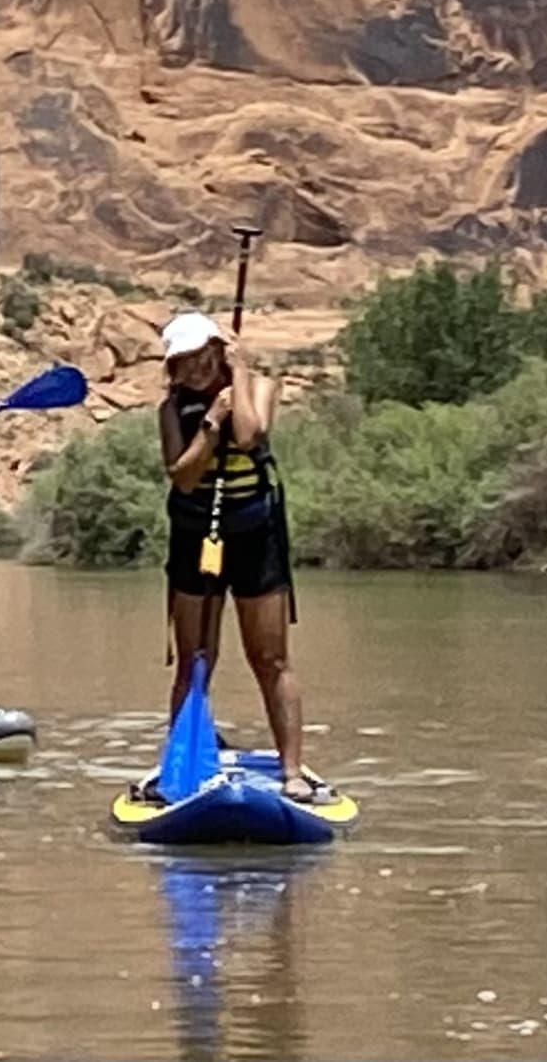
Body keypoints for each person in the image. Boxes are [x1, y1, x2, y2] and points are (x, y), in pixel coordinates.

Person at [155, 309, 326, 802]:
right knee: (194, 660)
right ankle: (181, 767)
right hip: (196, 540)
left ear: (217, 351)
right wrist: (210, 425)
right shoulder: (171, 412)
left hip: (256, 538)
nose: (194, 370)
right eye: (182, 362)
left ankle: (291, 772)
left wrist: (241, 372)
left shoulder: (261, 388)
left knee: (270, 658)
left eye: (201, 357)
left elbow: (250, 434)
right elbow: (183, 476)